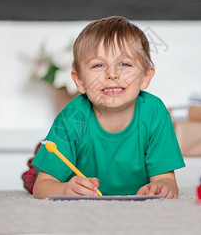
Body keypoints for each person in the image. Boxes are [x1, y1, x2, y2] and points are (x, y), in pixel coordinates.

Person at [32, 16, 185, 199]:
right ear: (79, 81)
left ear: (145, 77)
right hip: (86, 210)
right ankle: (35, 165)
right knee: (37, 172)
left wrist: (161, 187)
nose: (112, 74)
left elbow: (166, 180)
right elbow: (42, 186)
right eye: (98, 65)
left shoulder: (155, 112)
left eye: (124, 64)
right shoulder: (72, 117)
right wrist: (65, 189)